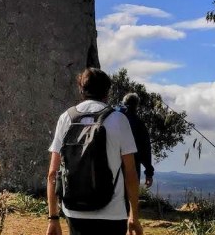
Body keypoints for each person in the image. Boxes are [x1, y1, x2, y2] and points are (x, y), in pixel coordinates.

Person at [46, 68, 143, 235]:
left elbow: (52, 173)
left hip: (74, 210)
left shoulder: (66, 118)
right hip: (113, 212)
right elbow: (131, 173)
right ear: (107, 91)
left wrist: (53, 218)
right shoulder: (119, 120)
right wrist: (134, 215)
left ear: (81, 89)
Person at [120, 92, 154, 188]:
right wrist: (149, 173)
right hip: (132, 167)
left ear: (123, 102)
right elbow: (145, 150)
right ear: (136, 105)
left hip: (110, 167)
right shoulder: (138, 123)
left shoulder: (112, 117)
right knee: (129, 198)